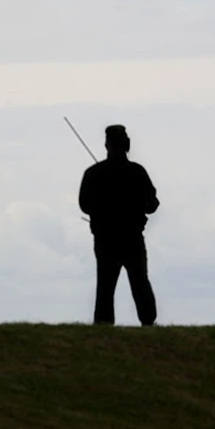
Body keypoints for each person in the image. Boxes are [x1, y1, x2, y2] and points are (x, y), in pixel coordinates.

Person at [78, 124, 159, 326]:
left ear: (107, 145)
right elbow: (153, 204)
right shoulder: (137, 172)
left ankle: (104, 326)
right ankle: (148, 322)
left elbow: (84, 205)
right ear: (127, 144)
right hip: (132, 238)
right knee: (140, 282)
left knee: (105, 286)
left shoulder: (94, 173)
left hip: (105, 239)